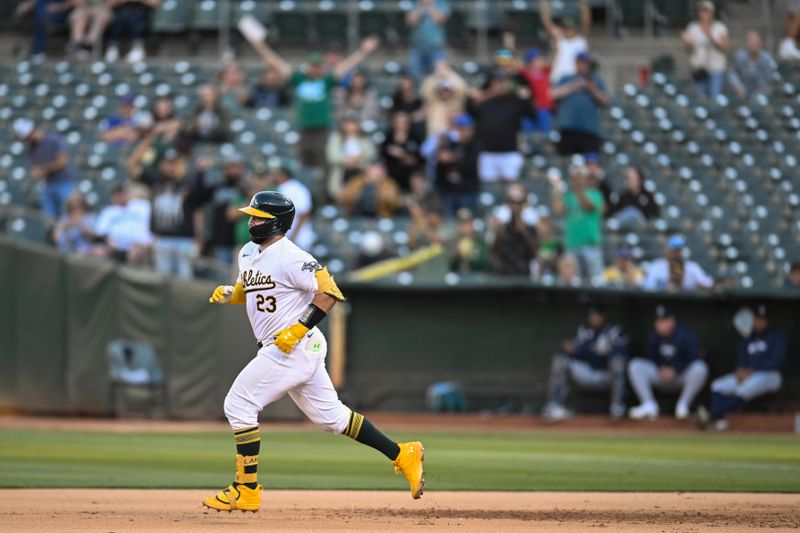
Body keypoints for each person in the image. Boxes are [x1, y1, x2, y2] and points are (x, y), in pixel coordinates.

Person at [203, 191, 425, 511]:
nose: (251, 221)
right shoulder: (248, 252)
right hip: (288, 346)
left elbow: (329, 292)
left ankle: (246, 489)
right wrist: (232, 294)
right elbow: (252, 289)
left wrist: (298, 328)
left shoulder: (292, 256)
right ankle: (403, 453)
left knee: (239, 404)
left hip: (291, 345)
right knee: (332, 419)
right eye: (251, 216)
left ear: (276, 223)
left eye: (258, 217)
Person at [248, 35, 380, 169]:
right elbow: (276, 62)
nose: (315, 69)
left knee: (323, 161)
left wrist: (363, 51)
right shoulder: (298, 79)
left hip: (322, 129)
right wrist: (260, 46)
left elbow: (346, 66)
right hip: (304, 128)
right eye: (312, 65)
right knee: (303, 162)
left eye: (318, 66)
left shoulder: (326, 81)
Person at [701, 304, 785, 431]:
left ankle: (714, 415)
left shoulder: (777, 338)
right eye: (757, 319)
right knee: (717, 385)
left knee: (745, 388)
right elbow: (741, 360)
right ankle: (718, 420)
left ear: (767, 321)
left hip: (770, 375)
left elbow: (776, 362)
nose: (759, 323)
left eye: (762, 320)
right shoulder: (748, 339)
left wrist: (753, 370)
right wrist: (741, 370)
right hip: (748, 375)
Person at [541, 306, 628, 421]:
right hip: (586, 372)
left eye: (597, 316)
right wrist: (579, 351)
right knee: (560, 360)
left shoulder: (614, 332)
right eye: (592, 316)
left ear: (604, 317)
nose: (595, 319)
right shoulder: (585, 332)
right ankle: (554, 406)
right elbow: (575, 351)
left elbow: (621, 353)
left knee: (618, 363)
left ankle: (617, 406)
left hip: (606, 374)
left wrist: (585, 351)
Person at [628, 305, 709, 420]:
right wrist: (661, 367)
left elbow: (694, 357)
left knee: (700, 367)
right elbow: (651, 357)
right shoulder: (653, 337)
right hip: (660, 375)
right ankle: (649, 404)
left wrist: (676, 369)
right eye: (658, 321)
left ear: (672, 321)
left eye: (664, 321)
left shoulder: (686, 335)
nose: (660, 325)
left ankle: (683, 406)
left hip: (681, 376)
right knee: (635, 365)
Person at [469, 71, 535, 183]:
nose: (500, 85)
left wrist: (526, 98)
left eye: (503, 82)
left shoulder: (516, 101)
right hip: (487, 153)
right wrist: (482, 95)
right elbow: (470, 111)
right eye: (497, 82)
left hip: (510, 153)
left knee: (512, 187)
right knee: (488, 190)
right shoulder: (485, 102)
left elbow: (532, 114)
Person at [150, 148, 205, 279]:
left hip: (184, 240)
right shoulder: (156, 183)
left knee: (184, 279)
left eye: (174, 163)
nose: (171, 167)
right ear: (162, 165)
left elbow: (198, 209)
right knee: (162, 280)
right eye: (168, 163)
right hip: (162, 238)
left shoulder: (188, 184)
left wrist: (199, 238)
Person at [550, 164, 604, 282]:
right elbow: (558, 209)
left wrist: (578, 188)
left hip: (590, 245)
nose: (577, 181)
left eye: (580, 178)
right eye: (575, 179)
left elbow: (588, 206)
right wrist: (557, 189)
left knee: (595, 281)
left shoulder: (595, 194)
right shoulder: (569, 197)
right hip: (572, 244)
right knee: (574, 282)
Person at [14, 118, 75, 219]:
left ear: (33, 130)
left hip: (64, 182)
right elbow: (36, 167)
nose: (27, 140)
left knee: (68, 215)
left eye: (28, 137)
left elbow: (62, 162)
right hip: (47, 185)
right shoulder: (32, 148)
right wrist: (37, 172)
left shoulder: (53, 139)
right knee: (49, 219)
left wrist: (44, 170)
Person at [551, 52, 610, 157]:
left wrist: (591, 89)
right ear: (576, 63)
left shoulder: (595, 81)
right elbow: (553, 94)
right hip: (568, 129)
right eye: (581, 62)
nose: (583, 65)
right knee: (566, 162)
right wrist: (573, 86)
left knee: (590, 163)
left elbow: (606, 101)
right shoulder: (566, 78)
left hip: (589, 130)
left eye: (585, 63)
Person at [681, 1, 729, 100]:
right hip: (699, 69)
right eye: (702, 11)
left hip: (716, 69)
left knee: (714, 99)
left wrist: (710, 35)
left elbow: (725, 47)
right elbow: (689, 51)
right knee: (701, 100)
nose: (705, 14)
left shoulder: (720, 27)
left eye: (707, 11)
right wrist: (688, 44)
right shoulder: (692, 27)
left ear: (712, 13)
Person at [434, 113, 480, 217]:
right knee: (449, 226)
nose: (465, 132)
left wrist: (452, 158)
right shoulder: (449, 144)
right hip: (448, 192)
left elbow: (471, 166)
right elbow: (440, 163)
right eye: (461, 129)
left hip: (467, 192)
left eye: (467, 129)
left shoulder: (475, 146)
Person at [94, 182, 152, 264]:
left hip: (139, 245)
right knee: (98, 251)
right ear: (112, 196)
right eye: (117, 193)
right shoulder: (108, 211)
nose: (121, 195)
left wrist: (146, 242)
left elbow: (152, 226)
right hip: (115, 247)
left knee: (136, 253)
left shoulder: (142, 206)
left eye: (123, 193)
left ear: (129, 193)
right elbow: (100, 232)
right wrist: (108, 240)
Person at [325, 115, 377, 201]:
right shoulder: (336, 137)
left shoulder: (364, 138)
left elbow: (371, 153)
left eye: (353, 123)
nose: (350, 127)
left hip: (361, 172)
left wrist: (358, 159)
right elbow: (332, 156)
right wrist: (347, 160)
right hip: (342, 173)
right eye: (348, 124)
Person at [539, 0, 591, 84]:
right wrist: (543, 3)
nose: (568, 30)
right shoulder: (559, 40)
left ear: (574, 28)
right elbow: (546, 20)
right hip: (558, 79)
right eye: (566, 28)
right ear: (562, 29)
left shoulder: (580, 40)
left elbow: (586, 21)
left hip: (575, 80)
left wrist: (584, 4)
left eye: (570, 27)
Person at [491, 185, 538, 277]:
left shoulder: (530, 228)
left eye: (519, 203)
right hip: (505, 274)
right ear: (508, 205)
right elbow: (495, 252)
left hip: (523, 274)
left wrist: (524, 232)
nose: (516, 206)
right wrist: (499, 233)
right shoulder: (503, 228)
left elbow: (535, 253)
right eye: (513, 203)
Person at [268, 161, 315, 251]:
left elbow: (304, 214)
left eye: (276, 173)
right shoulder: (278, 188)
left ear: (283, 174)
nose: (273, 175)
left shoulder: (296, 189)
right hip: (284, 240)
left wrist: (293, 238)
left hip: (299, 240)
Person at [15, 0, 81, 62]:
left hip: (61, 14)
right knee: (40, 5)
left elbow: (77, 2)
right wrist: (27, 5)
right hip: (45, 14)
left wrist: (58, 7)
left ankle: (37, 51)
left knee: (40, 15)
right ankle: (43, 21)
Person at [642, 235, 714, 292]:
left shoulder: (692, 267)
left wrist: (697, 287)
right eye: (673, 250)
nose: (676, 253)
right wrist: (664, 289)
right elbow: (647, 287)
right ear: (667, 250)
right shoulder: (657, 266)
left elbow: (708, 284)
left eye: (678, 250)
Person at [420, 61, 468, 138]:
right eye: (443, 90)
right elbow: (426, 90)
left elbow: (462, 88)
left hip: (453, 137)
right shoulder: (433, 102)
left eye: (447, 90)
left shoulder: (456, 102)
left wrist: (448, 72)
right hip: (435, 137)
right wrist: (436, 75)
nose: (445, 93)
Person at [406, 0, 451, 79]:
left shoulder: (441, 3)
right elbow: (410, 22)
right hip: (418, 47)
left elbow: (440, 20)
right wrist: (420, 7)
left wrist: (430, 6)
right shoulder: (416, 4)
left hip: (436, 48)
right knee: (415, 76)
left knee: (438, 76)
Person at [381, 112, 422, 193]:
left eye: (404, 123)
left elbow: (420, 158)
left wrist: (404, 155)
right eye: (398, 122)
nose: (401, 125)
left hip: (410, 179)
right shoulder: (387, 138)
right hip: (390, 179)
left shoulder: (415, 138)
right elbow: (381, 154)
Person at [731, 31, 775, 100]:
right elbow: (733, 73)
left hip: (761, 94)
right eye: (750, 42)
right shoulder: (740, 56)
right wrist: (737, 84)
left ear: (760, 43)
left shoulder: (766, 59)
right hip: (742, 93)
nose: (753, 45)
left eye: (755, 42)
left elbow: (768, 80)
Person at [519, 48, 555, 134]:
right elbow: (516, 64)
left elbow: (553, 59)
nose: (541, 61)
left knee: (544, 135)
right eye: (538, 59)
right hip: (529, 108)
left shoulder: (544, 71)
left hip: (544, 108)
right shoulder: (526, 72)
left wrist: (554, 45)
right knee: (528, 136)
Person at [449, 209, 490, 274]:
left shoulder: (480, 241)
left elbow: (485, 263)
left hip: (477, 278)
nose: (465, 227)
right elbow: (449, 267)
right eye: (462, 224)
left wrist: (470, 257)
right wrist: (457, 257)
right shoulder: (453, 241)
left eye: (467, 223)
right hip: (459, 279)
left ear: (472, 224)